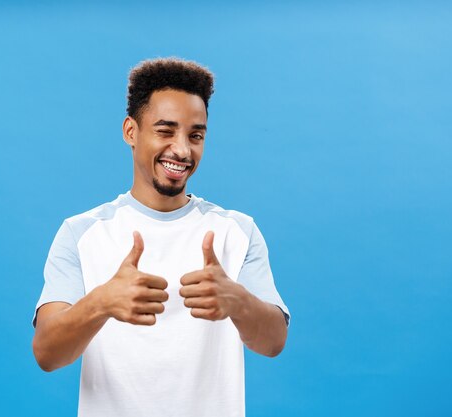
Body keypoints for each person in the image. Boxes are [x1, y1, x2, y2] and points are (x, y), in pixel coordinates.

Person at [32, 57, 290, 417]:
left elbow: (274, 341)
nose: (182, 150)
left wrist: (238, 300)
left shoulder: (238, 231)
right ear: (130, 132)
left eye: (195, 135)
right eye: (165, 131)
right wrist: (102, 301)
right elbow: (46, 352)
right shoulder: (80, 232)